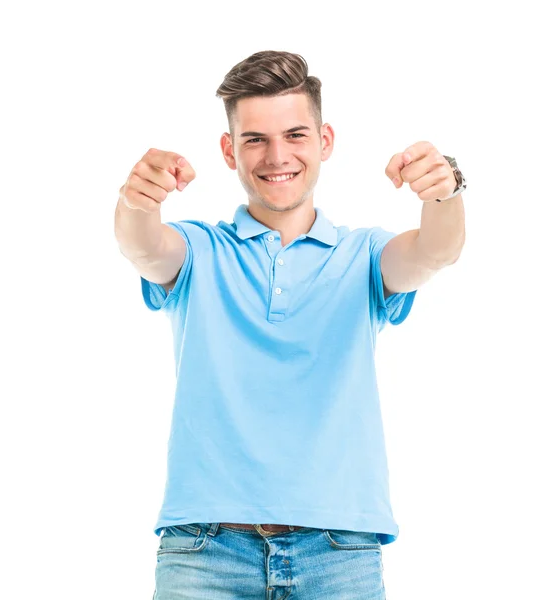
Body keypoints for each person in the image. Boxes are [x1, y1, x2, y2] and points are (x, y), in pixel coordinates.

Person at [115, 50, 465, 600]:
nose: (277, 155)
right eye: (255, 139)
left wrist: (444, 193)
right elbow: (143, 245)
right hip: (204, 550)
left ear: (325, 141)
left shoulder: (364, 255)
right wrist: (136, 201)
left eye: (295, 134)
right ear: (229, 151)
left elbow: (435, 251)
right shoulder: (200, 250)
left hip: (338, 551)